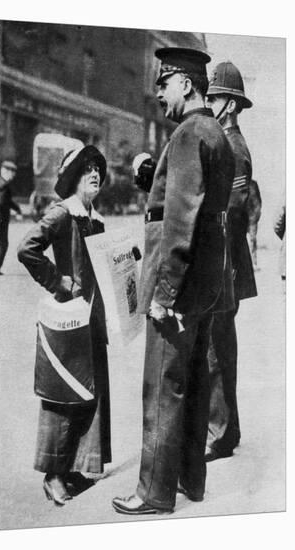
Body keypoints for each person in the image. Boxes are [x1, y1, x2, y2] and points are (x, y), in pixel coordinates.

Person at [112, 47, 235, 515]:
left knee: (162, 386)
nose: (159, 94)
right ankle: (190, 481)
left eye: (163, 84)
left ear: (185, 83)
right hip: (205, 285)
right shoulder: (217, 135)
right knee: (196, 383)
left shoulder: (187, 133)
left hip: (177, 286)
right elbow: (205, 212)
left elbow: (181, 219)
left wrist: (163, 293)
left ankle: (152, 492)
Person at [17, 145, 111, 506]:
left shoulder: (96, 219)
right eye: (87, 169)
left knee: (88, 393)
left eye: (98, 170)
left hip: (93, 321)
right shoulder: (62, 214)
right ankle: (53, 475)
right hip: (68, 319)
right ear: (73, 177)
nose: (94, 175)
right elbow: (28, 249)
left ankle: (72, 468)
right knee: (62, 395)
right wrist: (60, 283)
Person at [205, 61, 257, 461]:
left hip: (224, 263)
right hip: (226, 263)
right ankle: (229, 429)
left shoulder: (232, 147)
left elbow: (232, 213)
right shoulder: (225, 141)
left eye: (216, 97)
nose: (210, 101)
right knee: (222, 344)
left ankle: (219, 433)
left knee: (216, 347)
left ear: (232, 106)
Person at [0, 159, 22, 275]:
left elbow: (6, 201)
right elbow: (2, 202)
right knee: (3, 244)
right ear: (4, 171)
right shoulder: (4, 185)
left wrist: (17, 209)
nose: (13, 175)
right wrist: (16, 210)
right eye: (11, 172)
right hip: (0, 219)